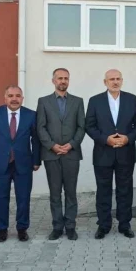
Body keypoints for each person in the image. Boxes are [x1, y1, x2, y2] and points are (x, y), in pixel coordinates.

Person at [85, 69, 136, 239]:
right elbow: (89, 126)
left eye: (118, 79)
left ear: (122, 81)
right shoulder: (95, 101)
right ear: (105, 82)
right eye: (111, 79)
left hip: (126, 152)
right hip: (103, 153)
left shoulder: (131, 99)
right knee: (103, 191)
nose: (115, 82)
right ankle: (103, 225)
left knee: (125, 191)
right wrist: (105, 139)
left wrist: (128, 138)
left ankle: (125, 225)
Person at [0, 85, 41, 242]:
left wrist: (36, 160)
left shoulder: (31, 115)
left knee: (23, 198)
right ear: (5, 98)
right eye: (10, 96)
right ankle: (2, 229)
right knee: (1, 198)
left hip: (24, 163)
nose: (14, 99)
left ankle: (22, 228)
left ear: (22, 98)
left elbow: (36, 140)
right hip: (1, 163)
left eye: (17, 96)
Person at [36, 68, 85, 241]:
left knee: (71, 192)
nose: (63, 81)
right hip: (52, 154)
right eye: (60, 78)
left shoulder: (78, 101)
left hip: (72, 154)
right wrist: (52, 146)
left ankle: (70, 226)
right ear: (53, 81)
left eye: (66, 78)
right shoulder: (43, 101)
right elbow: (40, 127)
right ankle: (57, 226)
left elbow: (81, 127)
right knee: (55, 193)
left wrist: (71, 145)